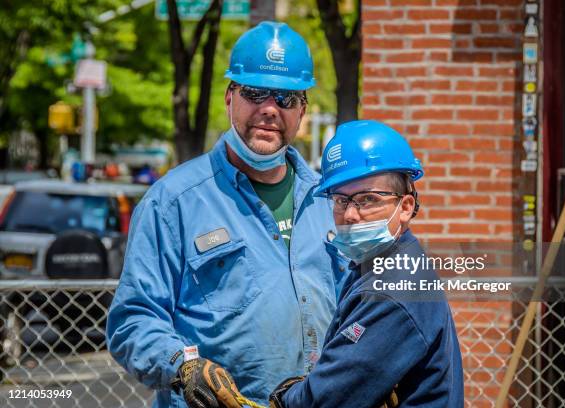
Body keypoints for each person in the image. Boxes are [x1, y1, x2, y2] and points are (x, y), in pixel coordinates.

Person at [106, 21, 348, 408]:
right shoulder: (173, 202)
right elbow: (133, 320)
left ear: (302, 110)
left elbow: (356, 306)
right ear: (229, 97)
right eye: (254, 92)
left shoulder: (329, 200)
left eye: (286, 98)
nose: (270, 109)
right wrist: (183, 368)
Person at [189, 120, 464, 408]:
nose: (351, 215)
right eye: (341, 200)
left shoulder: (391, 289)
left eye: (368, 199)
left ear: (405, 207)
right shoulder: (380, 264)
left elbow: (326, 399)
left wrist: (284, 400)